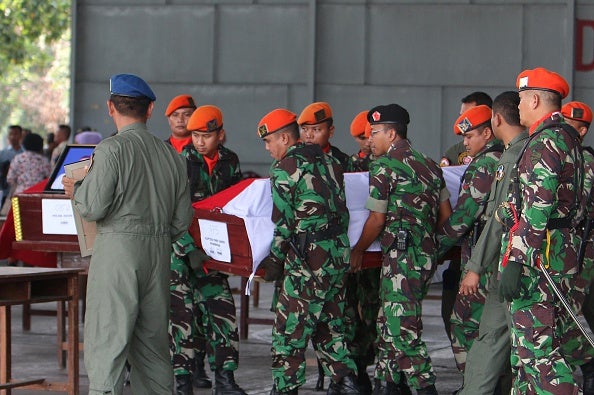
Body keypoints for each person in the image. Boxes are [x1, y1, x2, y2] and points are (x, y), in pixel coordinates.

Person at [62, 73, 193, 395]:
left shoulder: (110, 150)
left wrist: (76, 189)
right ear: (150, 111)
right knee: (152, 346)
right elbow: (182, 220)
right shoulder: (173, 156)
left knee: (108, 338)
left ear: (111, 107)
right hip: (158, 253)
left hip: (117, 251)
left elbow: (92, 207)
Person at [497, 67, 591, 394]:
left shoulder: (545, 142)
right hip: (557, 253)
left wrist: (517, 261)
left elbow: (538, 209)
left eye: (521, 99)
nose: (518, 106)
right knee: (527, 357)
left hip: (538, 261)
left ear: (534, 99)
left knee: (538, 352)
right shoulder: (566, 139)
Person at [350, 104, 451, 395]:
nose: (370, 139)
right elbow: (445, 215)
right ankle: (391, 384)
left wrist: (358, 251)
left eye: (375, 133)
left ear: (392, 134)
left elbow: (376, 219)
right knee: (388, 322)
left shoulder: (384, 166)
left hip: (401, 258)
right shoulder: (430, 164)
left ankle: (424, 387)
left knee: (401, 328)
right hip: (422, 256)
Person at [257, 108, 360, 395]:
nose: (267, 149)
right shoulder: (329, 160)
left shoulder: (284, 168)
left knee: (289, 330)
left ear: (285, 138)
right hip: (337, 255)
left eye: (269, 142)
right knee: (330, 324)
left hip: (308, 261)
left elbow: (285, 222)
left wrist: (275, 261)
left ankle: (285, 388)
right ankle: (347, 383)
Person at [177, 104, 247, 395]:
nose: (199, 141)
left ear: (220, 134)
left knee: (223, 313)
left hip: (215, 254)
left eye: (206, 135)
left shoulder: (230, 161)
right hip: (182, 257)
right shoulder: (181, 162)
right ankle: (183, 382)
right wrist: (187, 248)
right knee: (183, 319)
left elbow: (234, 205)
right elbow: (171, 211)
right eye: (194, 135)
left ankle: (225, 380)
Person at [436, 105, 503, 378]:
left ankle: (474, 384)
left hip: (481, 262)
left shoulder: (486, 164)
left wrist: (435, 247)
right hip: (500, 258)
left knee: (463, 325)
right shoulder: (509, 156)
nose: (465, 142)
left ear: (487, 132)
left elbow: (463, 217)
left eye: (471, 136)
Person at [164, 94, 211, 394]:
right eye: (177, 114)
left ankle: (198, 366)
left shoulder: (206, 150)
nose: (182, 120)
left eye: (188, 114)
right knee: (177, 310)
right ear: (167, 119)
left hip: (206, 242)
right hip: (172, 245)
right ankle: (179, 370)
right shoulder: (163, 152)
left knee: (204, 310)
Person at [298, 101, 355, 172]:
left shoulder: (342, 160)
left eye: (316, 129)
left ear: (331, 131)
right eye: (304, 129)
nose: (308, 135)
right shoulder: (292, 160)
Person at [440, 92, 493, 167]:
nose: (462, 120)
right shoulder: (455, 152)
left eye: (469, 115)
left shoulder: (505, 146)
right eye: (461, 116)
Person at [0, 125, 24, 207]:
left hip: (21, 193)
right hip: (6, 192)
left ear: (21, 135)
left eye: (16, 134)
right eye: (10, 134)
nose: (13, 136)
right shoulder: (2, 154)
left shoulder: (25, 153)